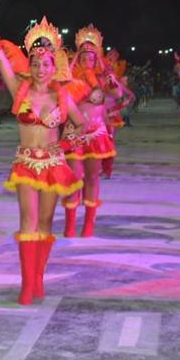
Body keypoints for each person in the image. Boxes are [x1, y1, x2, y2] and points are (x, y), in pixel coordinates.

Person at [0, 0, 86, 305]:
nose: (40, 68)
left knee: (44, 223)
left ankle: (38, 278)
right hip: (26, 162)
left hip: (53, 163)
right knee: (27, 219)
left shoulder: (62, 97)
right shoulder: (20, 89)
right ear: (31, 64)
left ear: (54, 67)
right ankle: (27, 286)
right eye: (36, 62)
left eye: (46, 63)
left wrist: (65, 143)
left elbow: (81, 126)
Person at [61, 24, 121, 237]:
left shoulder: (103, 79)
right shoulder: (69, 79)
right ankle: (69, 225)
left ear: (97, 58)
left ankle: (88, 224)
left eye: (92, 57)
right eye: (84, 56)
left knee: (92, 178)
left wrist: (110, 79)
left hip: (96, 133)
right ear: (78, 57)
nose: (88, 60)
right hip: (74, 132)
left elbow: (118, 93)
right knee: (73, 177)